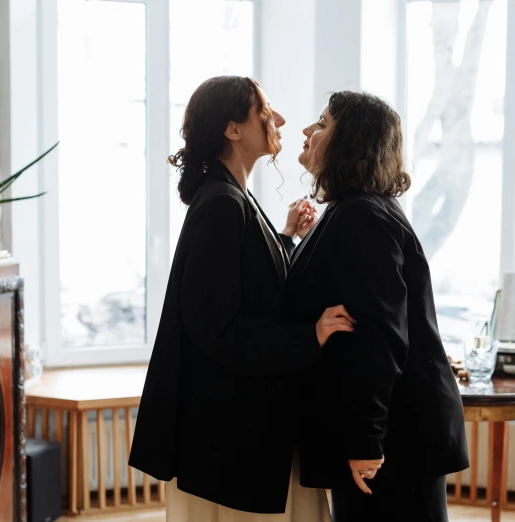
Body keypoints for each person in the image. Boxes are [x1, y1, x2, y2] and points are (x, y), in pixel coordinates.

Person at [129, 76, 353, 522]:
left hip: (238, 428)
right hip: (231, 436)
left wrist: (285, 238)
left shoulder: (233, 198)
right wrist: (309, 336)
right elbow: (217, 328)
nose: (281, 120)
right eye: (265, 112)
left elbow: (249, 287)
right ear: (232, 129)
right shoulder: (221, 205)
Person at [287, 91, 470, 522]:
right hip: (387, 433)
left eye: (323, 123)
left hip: (391, 441)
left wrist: (366, 440)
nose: (307, 131)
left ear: (351, 140)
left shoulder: (361, 216)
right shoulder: (352, 211)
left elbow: (380, 335)